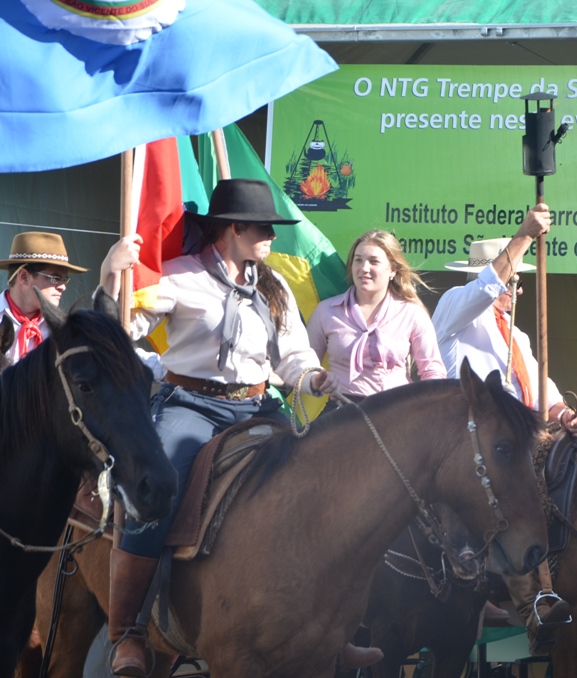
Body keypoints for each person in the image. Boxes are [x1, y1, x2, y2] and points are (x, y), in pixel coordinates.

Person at [98, 179, 382, 676]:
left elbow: (293, 353)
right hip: (191, 403)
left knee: (323, 486)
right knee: (152, 491)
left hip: (257, 406)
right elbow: (122, 329)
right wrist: (110, 281)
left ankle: (333, 632)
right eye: (263, 228)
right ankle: (128, 633)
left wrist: (313, 377)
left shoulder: (273, 286)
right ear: (233, 229)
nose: (271, 236)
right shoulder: (179, 277)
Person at [432, 204, 577, 654]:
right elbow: (485, 287)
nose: (514, 288)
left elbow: (540, 386)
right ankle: (535, 604)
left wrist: (562, 413)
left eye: (518, 282)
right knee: (514, 495)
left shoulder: (515, 335)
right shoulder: (455, 309)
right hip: (467, 441)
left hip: (519, 438)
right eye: (510, 279)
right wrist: (524, 236)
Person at [306, 229, 445, 397]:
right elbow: (305, 365)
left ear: (393, 270)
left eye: (374, 261)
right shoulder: (326, 310)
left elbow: (433, 371)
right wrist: (317, 379)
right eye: (358, 260)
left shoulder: (412, 313)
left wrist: (426, 404)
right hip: (342, 406)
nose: (364, 268)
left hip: (395, 406)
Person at [0, 231, 87, 363]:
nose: (63, 287)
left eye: (65, 279)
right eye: (55, 278)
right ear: (24, 277)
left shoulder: (61, 329)